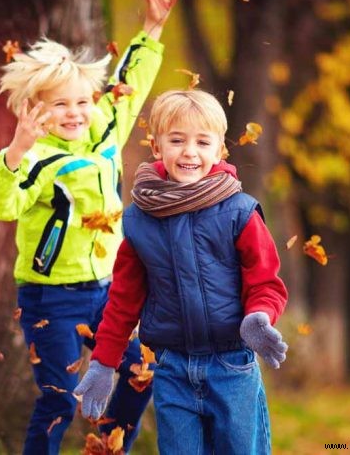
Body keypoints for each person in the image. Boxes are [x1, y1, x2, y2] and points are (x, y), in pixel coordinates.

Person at [0, 0, 178, 452]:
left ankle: (109, 446)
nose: (75, 112)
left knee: (140, 373)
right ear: (35, 110)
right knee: (59, 399)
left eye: (82, 101)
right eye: (60, 104)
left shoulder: (105, 128)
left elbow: (130, 85)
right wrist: (15, 151)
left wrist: (151, 29)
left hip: (108, 292)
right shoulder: (35, 157)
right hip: (50, 300)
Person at [74, 89, 289, 454]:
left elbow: (265, 281)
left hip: (231, 364)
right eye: (177, 140)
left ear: (219, 149)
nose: (190, 151)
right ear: (157, 147)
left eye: (202, 142)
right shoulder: (141, 220)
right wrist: (103, 363)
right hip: (172, 368)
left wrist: (259, 317)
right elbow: (123, 299)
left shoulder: (239, 212)